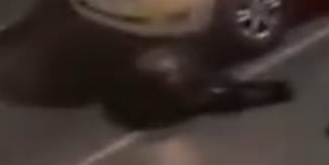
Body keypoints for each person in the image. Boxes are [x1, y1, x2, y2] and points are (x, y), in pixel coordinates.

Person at [125, 42, 293, 125]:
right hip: (190, 87)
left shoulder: (171, 76)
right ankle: (277, 91)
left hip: (189, 87)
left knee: (232, 92)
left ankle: (277, 91)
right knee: (233, 92)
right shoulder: (175, 76)